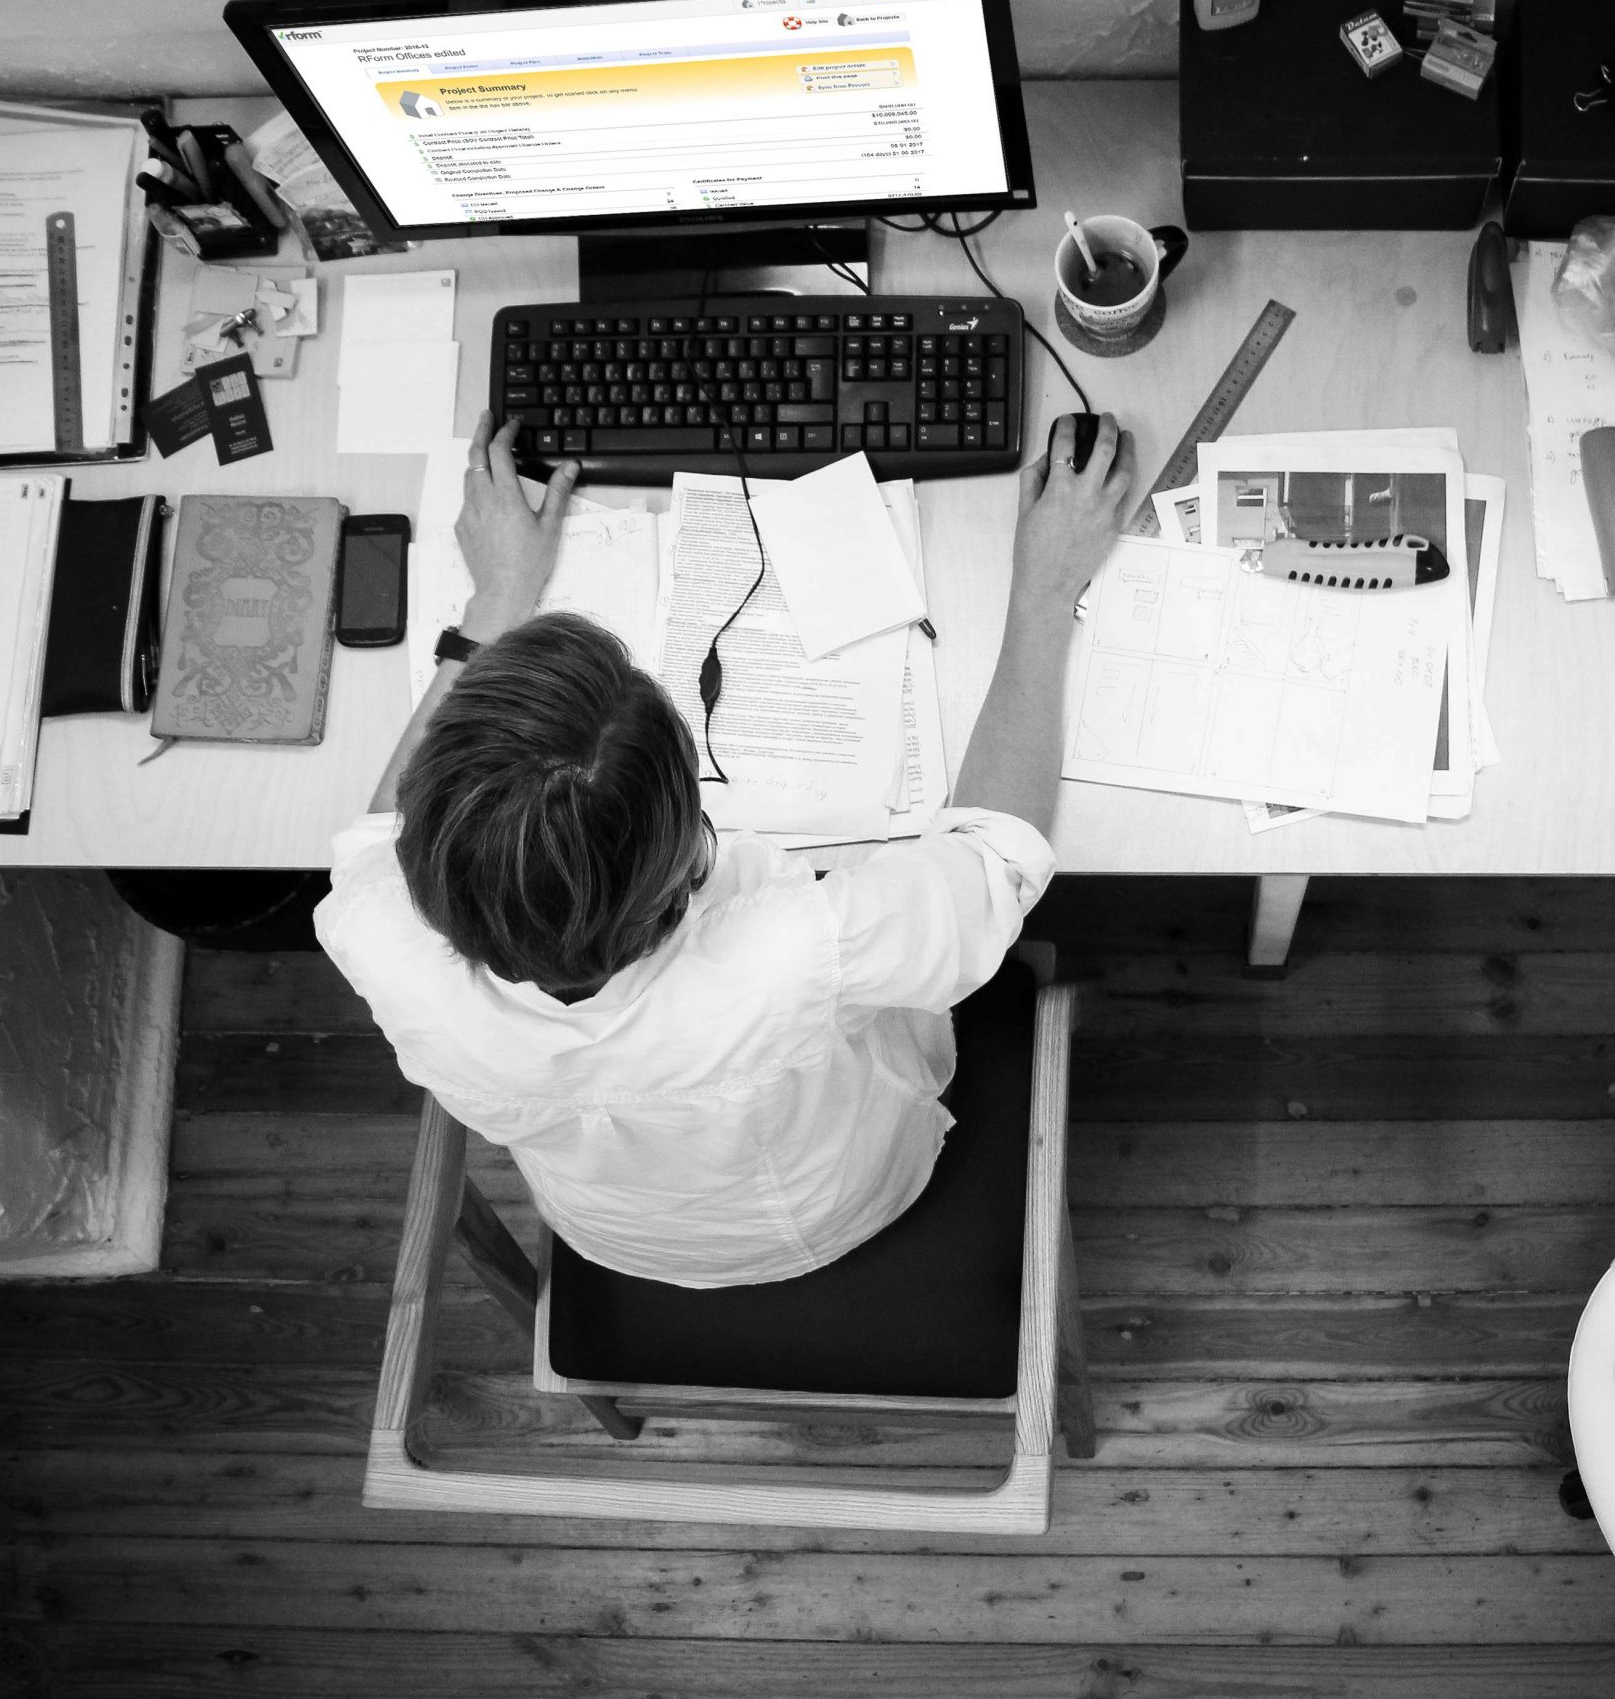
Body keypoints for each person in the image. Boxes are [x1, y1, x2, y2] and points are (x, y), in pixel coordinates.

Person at [315, 410, 1136, 1287]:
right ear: (685, 846)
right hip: (841, 1203)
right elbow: (994, 860)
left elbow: (376, 835)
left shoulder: (374, 937)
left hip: (610, 1230)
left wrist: (493, 604)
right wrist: (1046, 590)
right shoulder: (791, 954)